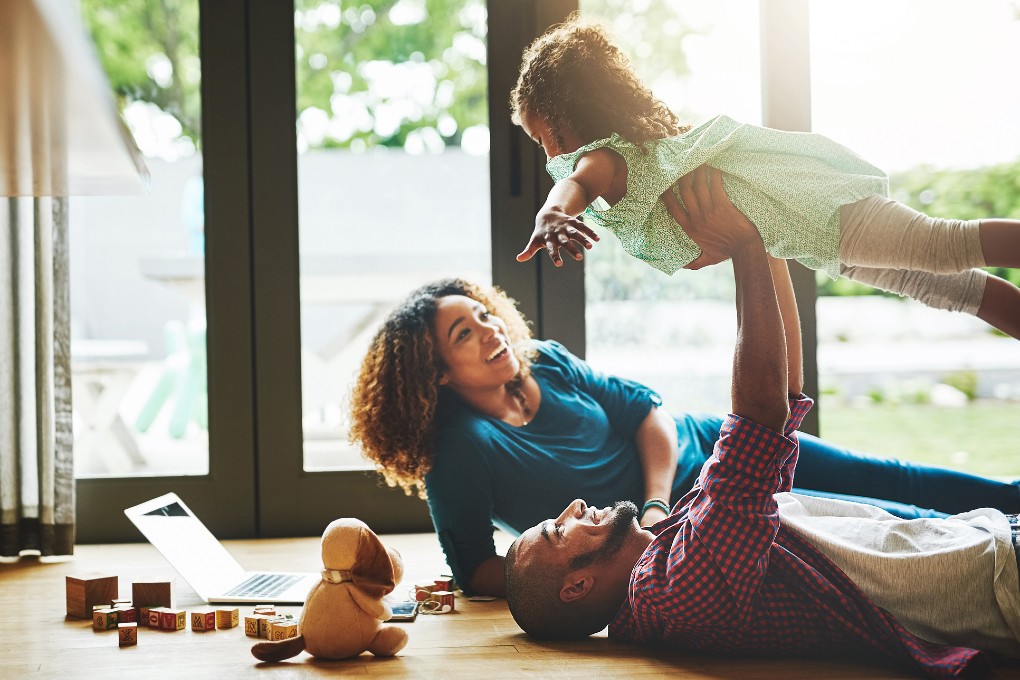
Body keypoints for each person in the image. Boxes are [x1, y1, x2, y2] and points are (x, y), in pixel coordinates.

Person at [347, 169, 1020, 599]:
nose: (492, 330)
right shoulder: (460, 447)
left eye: (485, 315)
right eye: (465, 334)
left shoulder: (543, 360)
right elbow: (478, 571)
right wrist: (615, 572)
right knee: (887, 527)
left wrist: (654, 503)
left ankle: (1013, 501)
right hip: (698, 532)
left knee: (895, 478)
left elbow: (647, 413)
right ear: (434, 371)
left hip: (713, 451)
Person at [503, 173, 1020, 676]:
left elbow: (783, 400)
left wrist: (765, 244)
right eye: (556, 530)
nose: (571, 509)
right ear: (576, 589)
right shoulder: (674, 590)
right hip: (999, 579)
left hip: (983, 543)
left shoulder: (671, 548)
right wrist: (745, 248)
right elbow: (759, 417)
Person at [510, 14, 1020, 340]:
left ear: (563, 118)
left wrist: (552, 214)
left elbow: (574, 185)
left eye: (543, 139)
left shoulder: (606, 159)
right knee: (953, 289)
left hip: (817, 210)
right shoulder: (645, 159)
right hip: (812, 235)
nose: (549, 154)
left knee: (943, 245)